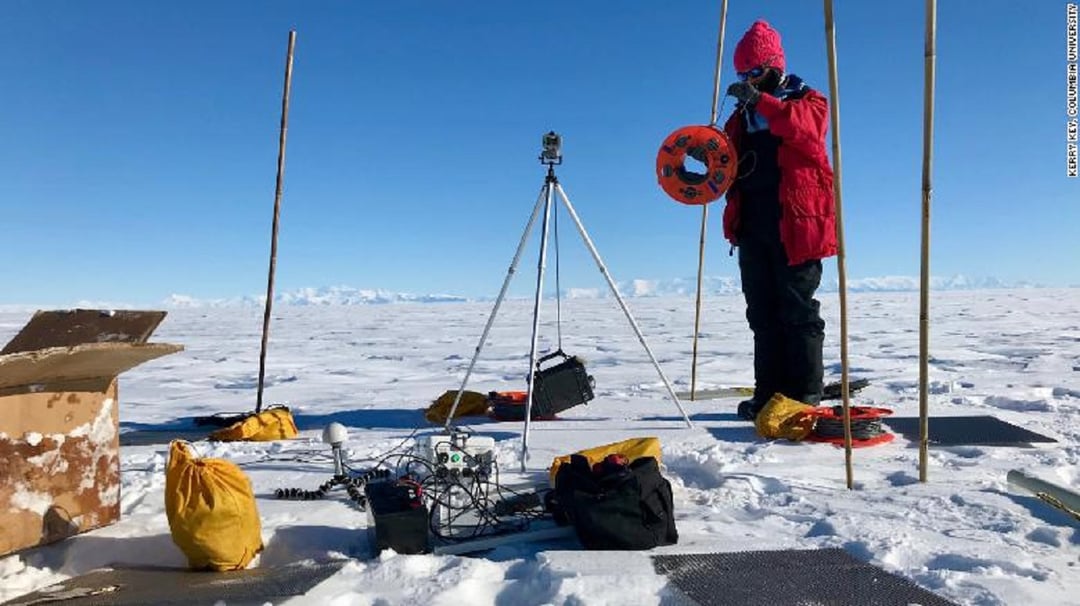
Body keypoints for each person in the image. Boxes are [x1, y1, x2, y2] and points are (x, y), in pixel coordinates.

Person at [720, 19, 837, 420]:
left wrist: (761, 102)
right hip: (752, 224)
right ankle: (768, 394)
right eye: (742, 75)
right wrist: (708, 155)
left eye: (753, 73)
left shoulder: (808, 101)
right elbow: (725, 164)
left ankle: (804, 395)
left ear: (773, 66)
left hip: (797, 225)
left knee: (797, 308)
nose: (748, 81)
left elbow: (806, 131)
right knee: (762, 312)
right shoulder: (739, 119)